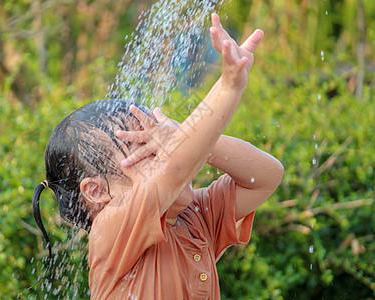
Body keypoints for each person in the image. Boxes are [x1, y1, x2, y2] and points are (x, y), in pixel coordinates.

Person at [32, 13, 283, 299]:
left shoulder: (195, 218)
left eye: (159, 142)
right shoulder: (110, 231)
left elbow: (266, 177)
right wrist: (228, 86)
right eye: (146, 151)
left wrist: (196, 141)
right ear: (98, 191)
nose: (167, 151)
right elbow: (175, 169)